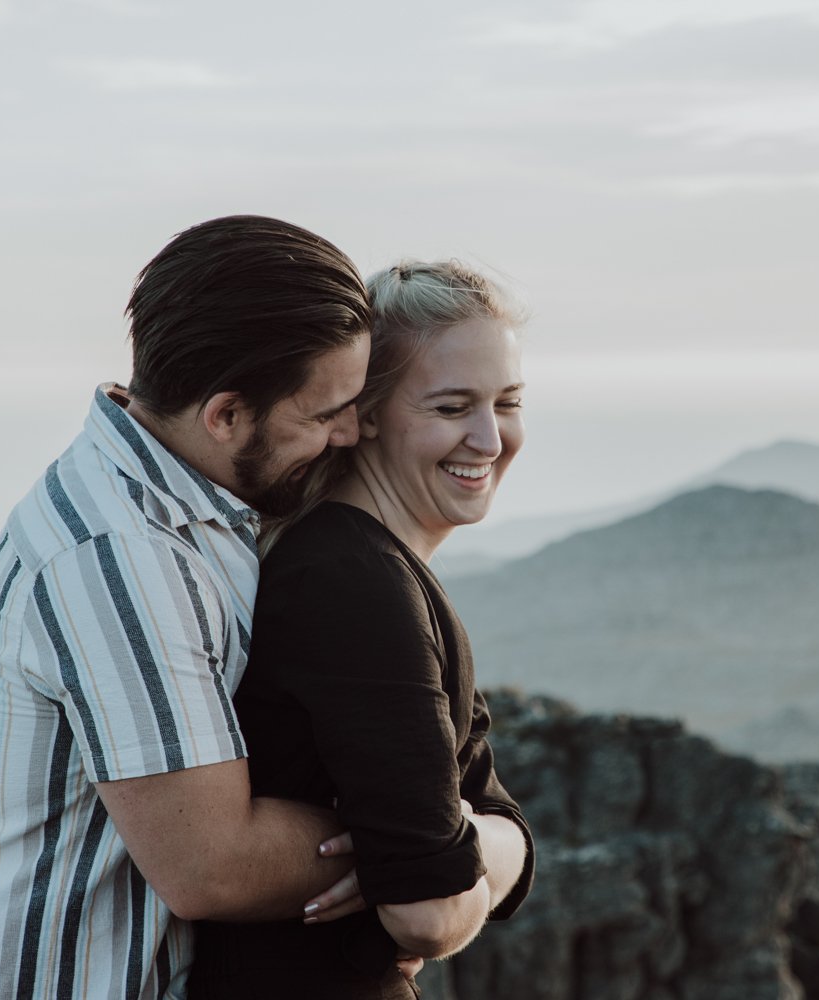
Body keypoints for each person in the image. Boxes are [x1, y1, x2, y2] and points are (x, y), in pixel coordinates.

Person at [0, 216, 380, 999]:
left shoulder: (189, 493)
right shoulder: (119, 555)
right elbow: (213, 865)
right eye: (324, 413)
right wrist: (420, 839)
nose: (351, 433)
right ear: (225, 415)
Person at [188, 261, 535, 998]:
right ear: (365, 413)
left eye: (506, 402)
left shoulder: (365, 566)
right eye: (450, 407)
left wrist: (473, 841)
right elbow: (431, 914)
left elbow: (477, 818)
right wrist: (471, 854)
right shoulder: (355, 585)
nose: (489, 437)